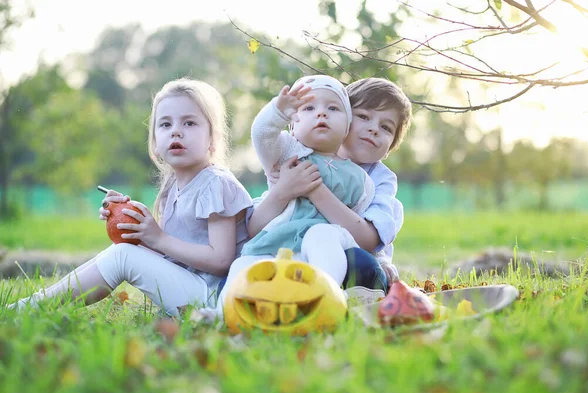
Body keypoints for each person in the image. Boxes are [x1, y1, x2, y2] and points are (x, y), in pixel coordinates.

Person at [9, 78, 253, 317]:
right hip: (193, 288)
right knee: (122, 250)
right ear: (155, 143)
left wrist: (159, 238)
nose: (176, 131)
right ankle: (34, 304)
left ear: (213, 139)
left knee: (122, 257)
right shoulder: (172, 187)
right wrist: (132, 227)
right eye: (165, 125)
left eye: (189, 123)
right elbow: (173, 256)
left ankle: (28, 309)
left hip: (217, 298)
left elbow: (221, 260)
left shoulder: (216, 184)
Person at [216, 75, 375, 311]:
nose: (321, 114)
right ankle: (221, 315)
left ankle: (323, 299)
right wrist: (277, 111)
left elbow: (356, 222)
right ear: (292, 126)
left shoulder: (360, 178)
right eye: (309, 108)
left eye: (333, 108)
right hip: (275, 246)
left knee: (320, 234)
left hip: (326, 245)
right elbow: (261, 134)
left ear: (347, 128)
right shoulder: (289, 151)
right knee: (244, 266)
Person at [246, 77, 412, 298]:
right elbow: (254, 229)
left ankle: (324, 296)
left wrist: (315, 189)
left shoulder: (380, 181)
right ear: (345, 120)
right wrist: (283, 191)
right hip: (287, 247)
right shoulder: (298, 156)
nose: (373, 129)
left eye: (386, 127)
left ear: (391, 145)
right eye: (363, 117)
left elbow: (367, 239)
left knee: (363, 266)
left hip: (346, 256)